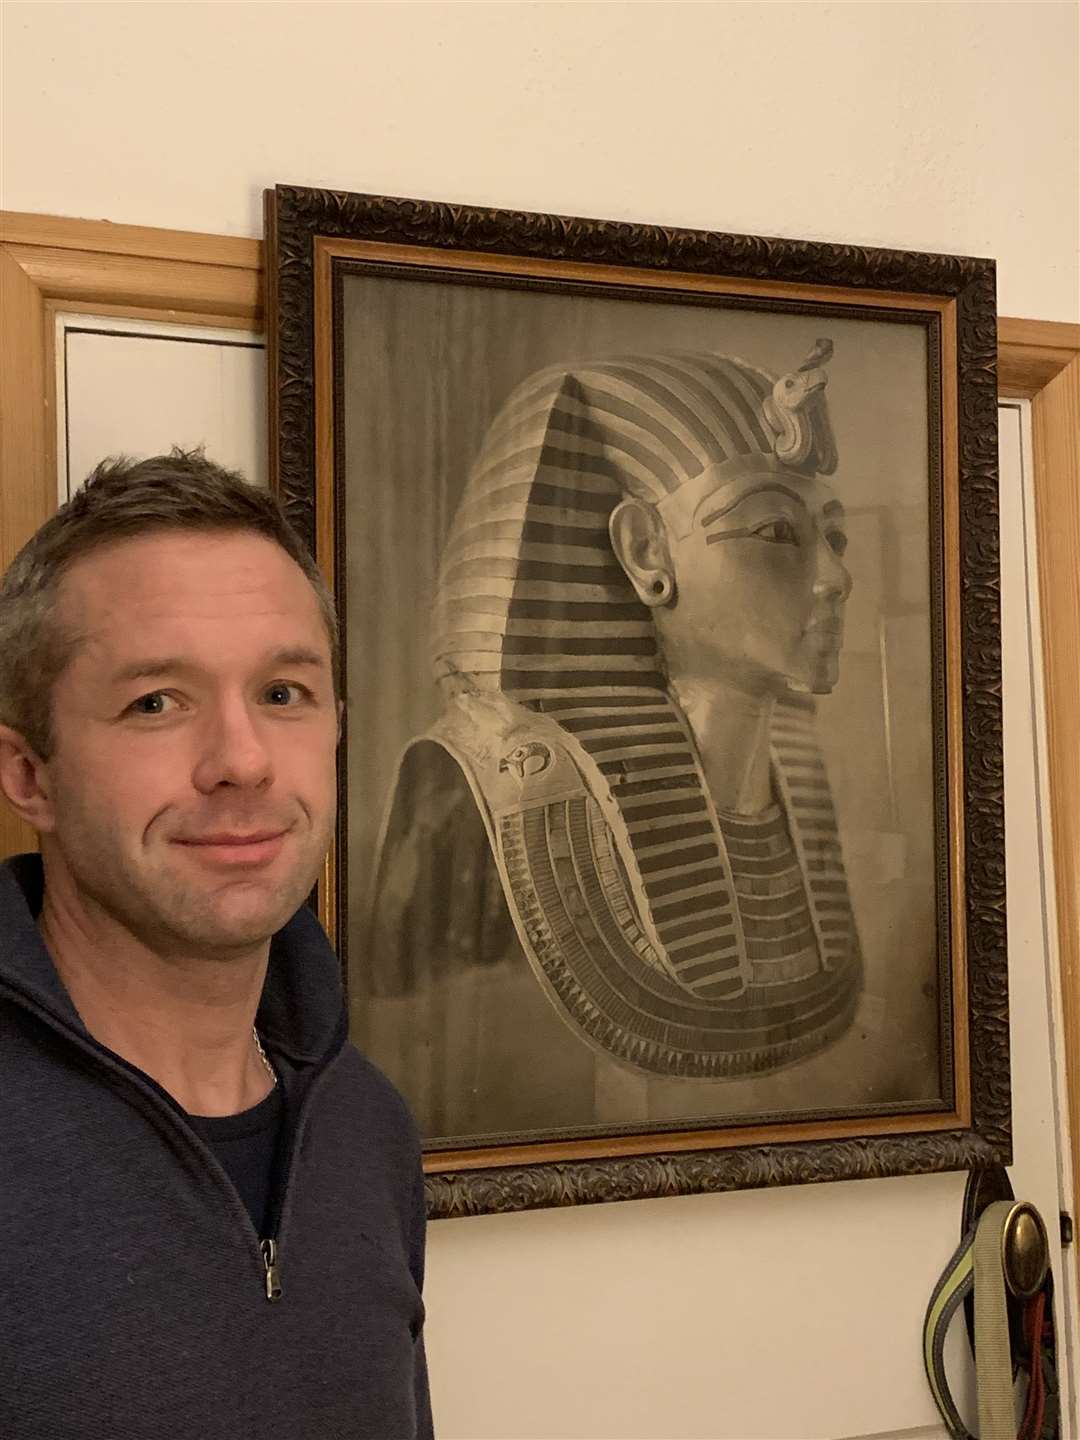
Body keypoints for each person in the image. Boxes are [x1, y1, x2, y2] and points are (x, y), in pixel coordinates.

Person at [0, 451, 433, 1440]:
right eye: (158, 702)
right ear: (29, 775)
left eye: (284, 693)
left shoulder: (366, 1129)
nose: (240, 759)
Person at [370, 343, 863, 1138]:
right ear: (645, 555)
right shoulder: (470, 796)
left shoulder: (806, 780)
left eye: (831, 536)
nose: (834, 578)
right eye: (775, 529)